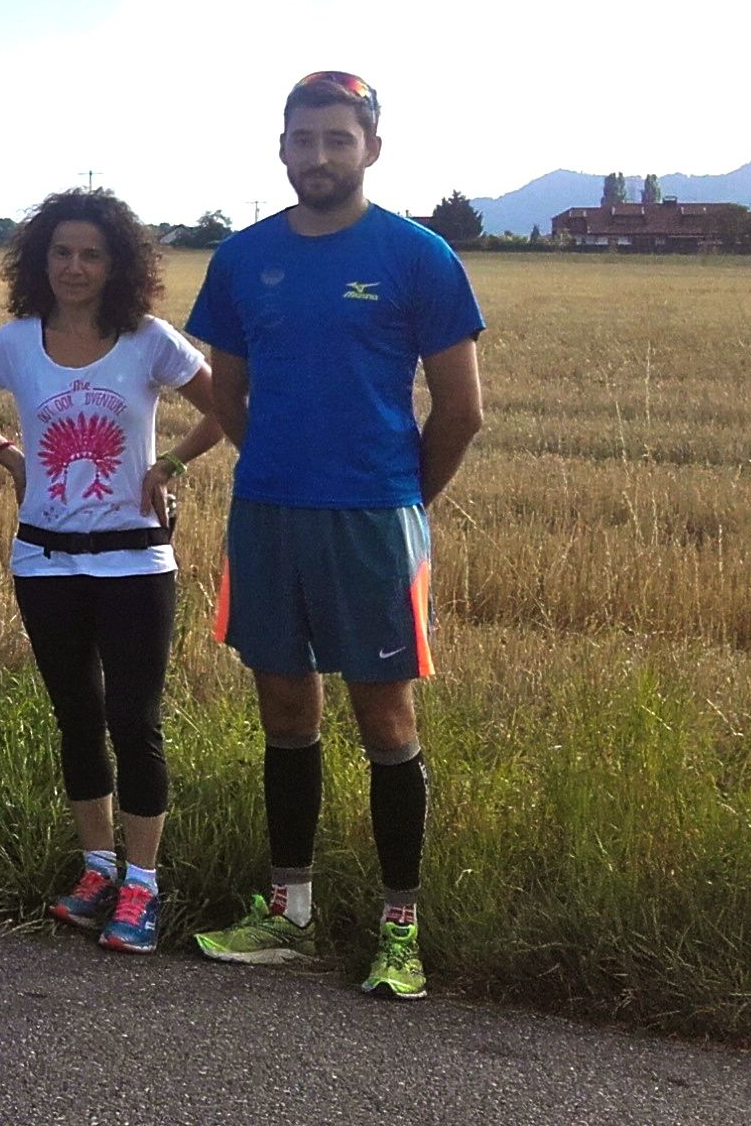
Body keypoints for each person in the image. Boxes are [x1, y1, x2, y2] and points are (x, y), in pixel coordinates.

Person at [184, 71, 484, 1001]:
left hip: (373, 519)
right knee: (284, 710)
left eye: (338, 139)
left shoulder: (418, 256)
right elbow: (225, 392)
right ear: (281, 149)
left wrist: (399, 497)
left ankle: (401, 928)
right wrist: (277, 463)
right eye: (303, 139)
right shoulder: (241, 258)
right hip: (268, 514)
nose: (318, 156)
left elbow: (462, 412)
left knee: (385, 721)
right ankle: (289, 913)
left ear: (372, 149)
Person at [0, 189, 223, 954]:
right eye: (60, 252)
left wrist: (170, 465)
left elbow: (226, 405)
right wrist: (7, 455)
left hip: (135, 560)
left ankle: (142, 885)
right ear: (40, 259)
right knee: (76, 717)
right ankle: (96, 868)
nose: (74, 266)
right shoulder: (16, 342)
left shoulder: (149, 340)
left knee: (136, 720)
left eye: (91, 253)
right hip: (45, 559)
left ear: (117, 264)